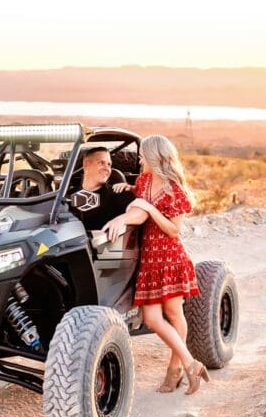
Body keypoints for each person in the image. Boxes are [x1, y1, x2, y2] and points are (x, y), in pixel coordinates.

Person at [103, 135, 208, 395]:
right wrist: (128, 190)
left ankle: (175, 370)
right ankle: (190, 363)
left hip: (170, 257)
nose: (139, 160)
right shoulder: (143, 181)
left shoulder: (176, 190)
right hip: (150, 258)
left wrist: (149, 208)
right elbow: (139, 202)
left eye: (142, 156)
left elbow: (174, 230)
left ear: (154, 157)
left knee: (174, 314)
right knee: (151, 317)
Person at [66, 146, 134, 232]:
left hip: (104, 244)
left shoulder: (117, 192)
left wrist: (122, 219)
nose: (107, 169)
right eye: (101, 163)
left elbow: (141, 212)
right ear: (86, 165)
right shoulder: (67, 196)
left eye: (109, 164)